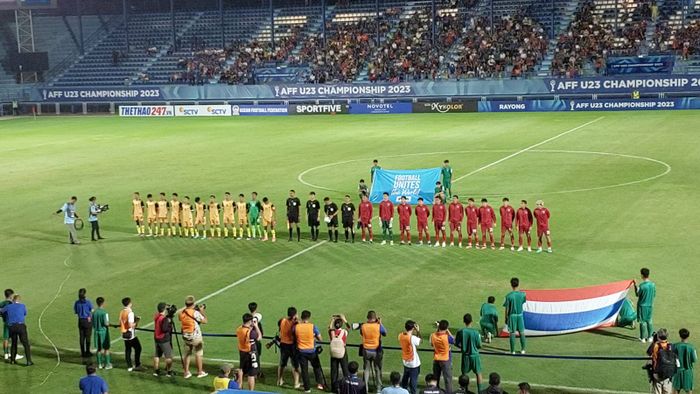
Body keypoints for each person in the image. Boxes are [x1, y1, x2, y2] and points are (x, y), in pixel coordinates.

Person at [294, 310, 325, 393]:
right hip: (312, 351)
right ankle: (320, 384)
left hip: (301, 351)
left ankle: (307, 388)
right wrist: (314, 337)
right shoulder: (312, 326)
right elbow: (320, 339)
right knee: (317, 367)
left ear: (301, 316)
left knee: (304, 370)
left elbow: (294, 336)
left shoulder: (297, 327)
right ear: (309, 317)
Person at [179, 295, 208, 379]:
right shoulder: (195, 313)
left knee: (187, 354)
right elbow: (205, 321)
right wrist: (202, 311)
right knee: (198, 353)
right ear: (193, 303)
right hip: (195, 337)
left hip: (186, 336)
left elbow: (182, 319)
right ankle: (200, 372)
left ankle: (186, 372)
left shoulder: (182, 313)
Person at [0, 294, 32, 365]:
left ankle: (12, 360)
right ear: (19, 300)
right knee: (25, 343)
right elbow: (25, 313)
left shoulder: (8, 306)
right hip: (21, 326)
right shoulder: (22, 306)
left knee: (14, 343)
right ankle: (29, 361)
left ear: (13, 300)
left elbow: (1, 311)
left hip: (12, 327)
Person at [455, 314, 483, 392]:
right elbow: (479, 345)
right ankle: (480, 391)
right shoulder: (476, 332)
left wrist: (463, 347)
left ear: (464, 321)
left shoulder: (461, 331)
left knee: (464, 374)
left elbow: (456, 343)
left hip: (465, 356)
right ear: (471, 321)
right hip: (475, 356)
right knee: (478, 373)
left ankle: (464, 390)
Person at [361, 311, 387, 393]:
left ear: (367, 317)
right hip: (376, 351)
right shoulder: (378, 326)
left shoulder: (363, 326)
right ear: (375, 318)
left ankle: (365, 389)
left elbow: (362, 333)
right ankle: (378, 389)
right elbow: (385, 333)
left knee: (366, 370)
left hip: (366, 350)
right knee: (377, 369)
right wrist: (380, 323)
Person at [277, 306, 300, 388]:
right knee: (295, 364)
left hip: (283, 344)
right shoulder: (295, 323)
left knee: (282, 364)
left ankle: (279, 380)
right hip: (292, 345)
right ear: (294, 315)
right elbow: (298, 331)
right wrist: (297, 320)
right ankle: (296, 383)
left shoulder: (282, 320)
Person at [237, 313, 261, 390]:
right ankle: (251, 391)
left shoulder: (239, 329)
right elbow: (259, 337)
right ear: (250, 321)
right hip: (251, 352)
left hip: (242, 351)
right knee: (251, 374)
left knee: (241, 369)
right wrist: (256, 326)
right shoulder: (250, 332)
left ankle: (239, 386)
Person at [647, 328, 676, 394]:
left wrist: (654, 341)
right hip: (668, 374)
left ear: (658, 336)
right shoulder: (671, 346)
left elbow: (648, 353)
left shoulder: (655, 345)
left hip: (657, 374)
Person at [430, 320, 454, 394]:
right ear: (446, 328)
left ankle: (434, 391)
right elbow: (453, 340)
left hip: (436, 359)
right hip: (445, 360)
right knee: (447, 379)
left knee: (435, 378)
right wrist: (448, 331)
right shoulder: (447, 337)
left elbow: (431, 344)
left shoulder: (433, 335)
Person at [119, 297, 142, 371]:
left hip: (124, 333)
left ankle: (129, 366)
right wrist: (137, 321)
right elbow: (130, 325)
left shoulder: (122, 312)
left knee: (128, 350)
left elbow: (120, 322)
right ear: (129, 304)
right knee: (138, 348)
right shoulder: (130, 313)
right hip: (130, 334)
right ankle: (137, 364)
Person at [504, 278, 526, 354]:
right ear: (518, 284)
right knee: (521, 332)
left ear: (511, 285)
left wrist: (506, 318)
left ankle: (512, 351)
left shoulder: (508, 296)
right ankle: (523, 349)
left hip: (512, 316)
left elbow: (507, 308)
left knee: (512, 333)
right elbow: (523, 302)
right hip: (519, 316)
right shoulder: (523, 294)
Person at [329, 314, 350, 393]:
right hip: (342, 352)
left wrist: (332, 320)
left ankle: (333, 389)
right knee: (345, 370)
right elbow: (348, 327)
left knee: (334, 371)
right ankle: (346, 388)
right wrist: (344, 320)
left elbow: (330, 328)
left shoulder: (332, 332)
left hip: (333, 353)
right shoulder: (344, 332)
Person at [399, 320, 421, 394]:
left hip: (405, 361)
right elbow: (420, 341)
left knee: (404, 381)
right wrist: (418, 331)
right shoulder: (412, 338)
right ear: (413, 328)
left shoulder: (400, 335)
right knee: (413, 383)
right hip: (413, 363)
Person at [636, 268, 657, 342]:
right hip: (650, 305)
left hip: (642, 306)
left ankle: (642, 338)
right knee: (649, 320)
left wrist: (636, 286)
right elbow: (654, 295)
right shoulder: (653, 285)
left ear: (642, 275)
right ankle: (650, 337)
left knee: (643, 322)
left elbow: (637, 295)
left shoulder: (641, 286)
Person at [153, 302, 174, 377]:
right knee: (168, 357)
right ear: (164, 309)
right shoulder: (163, 318)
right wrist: (169, 324)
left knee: (157, 355)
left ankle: (156, 371)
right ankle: (169, 372)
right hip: (163, 339)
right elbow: (165, 329)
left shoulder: (156, 316)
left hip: (157, 338)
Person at [673, 328, 696, 394]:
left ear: (680, 336)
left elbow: (672, 358)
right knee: (689, 391)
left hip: (677, 371)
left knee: (676, 390)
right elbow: (694, 359)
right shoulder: (691, 347)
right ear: (688, 336)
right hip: (688, 372)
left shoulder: (675, 346)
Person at [92, 297, 112, 369]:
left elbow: (93, 323)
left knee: (99, 349)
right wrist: (110, 324)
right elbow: (106, 323)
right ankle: (107, 364)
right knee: (106, 348)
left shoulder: (94, 312)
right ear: (103, 303)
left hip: (96, 332)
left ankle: (99, 364)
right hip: (103, 332)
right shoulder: (104, 313)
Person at [74, 288, 94, 357]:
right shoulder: (88, 302)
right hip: (87, 320)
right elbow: (92, 310)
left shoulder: (77, 302)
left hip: (80, 320)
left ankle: (82, 352)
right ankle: (87, 351)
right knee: (88, 337)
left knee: (82, 337)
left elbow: (76, 312)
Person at [249, 302, 264, 372]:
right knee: (256, 357)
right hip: (255, 341)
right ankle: (257, 372)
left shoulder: (247, 318)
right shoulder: (257, 318)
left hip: (249, 341)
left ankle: (252, 370)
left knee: (251, 357)